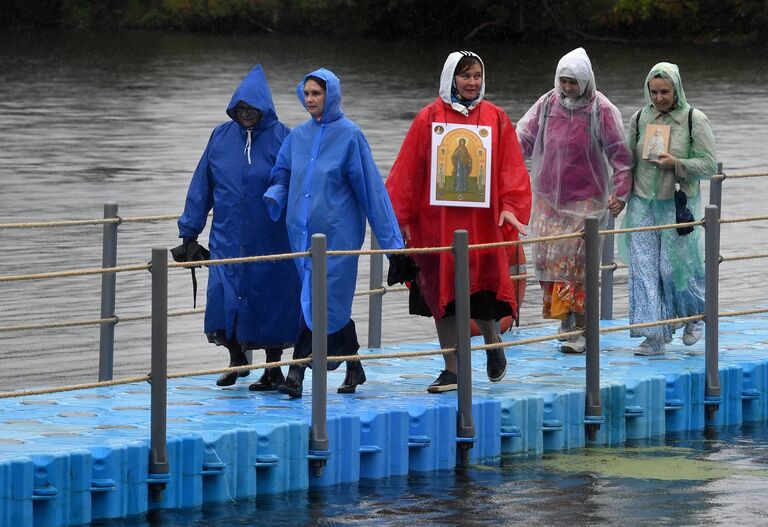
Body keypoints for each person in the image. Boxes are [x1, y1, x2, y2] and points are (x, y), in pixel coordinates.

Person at [386, 51, 532, 393]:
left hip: (481, 225)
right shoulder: (429, 118)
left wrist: (511, 206)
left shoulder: (495, 118)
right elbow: (408, 170)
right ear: (451, 77)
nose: (472, 82)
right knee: (442, 298)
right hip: (437, 224)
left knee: (481, 294)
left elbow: (512, 167)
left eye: (477, 76)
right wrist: (400, 219)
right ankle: (451, 369)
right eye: (465, 75)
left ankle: (493, 343)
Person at [264, 68, 406, 398]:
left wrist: (393, 247)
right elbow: (281, 173)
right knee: (316, 302)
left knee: (319, 301)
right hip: (300, 236)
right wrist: (276, 193)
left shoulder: (351, 136)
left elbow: (373, 193)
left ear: (332, 95)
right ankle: (354, 368)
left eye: (317, 93)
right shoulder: (297, 137)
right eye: (307, 93)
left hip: (338, 239)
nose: (310, 99)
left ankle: (295, 373)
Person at [177, 65, 302, 389]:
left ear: (265, 108)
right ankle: (236, 360)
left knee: (272, 300)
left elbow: (297, 184)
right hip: (227, 237)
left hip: (272, 237)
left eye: (252, 108)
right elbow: (201, 184)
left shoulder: (284, 137)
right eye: (241, 108)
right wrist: (189, 232)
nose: (246, 114)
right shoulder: (220, 136)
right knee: (223, 296)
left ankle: (272, 368)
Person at [516, 47, 632, 354]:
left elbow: (620, 155)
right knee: (548, 264)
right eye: (563, 80)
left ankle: (580, 328)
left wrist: (619, 192)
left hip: (586, 203)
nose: (567, 88)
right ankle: (564, 320)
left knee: (577, 267)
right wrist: (495, 157)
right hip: (547, 200)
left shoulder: (601, 110)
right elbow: (523, 139)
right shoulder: (546, 104)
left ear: (585, 81)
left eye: (573, 82)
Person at [619, 62, 717, 355]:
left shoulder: (693, 119)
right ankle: (655, 335)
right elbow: (627, 162)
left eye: (665, 91)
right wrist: (619, 195)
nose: (659, 98)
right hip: (641, 203)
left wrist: (677, 163)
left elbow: (709, 164)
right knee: (644, 270)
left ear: (677, 89)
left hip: (676, 203)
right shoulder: (639, 118)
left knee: (670, 269)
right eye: (654, 92)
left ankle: (694, 315)